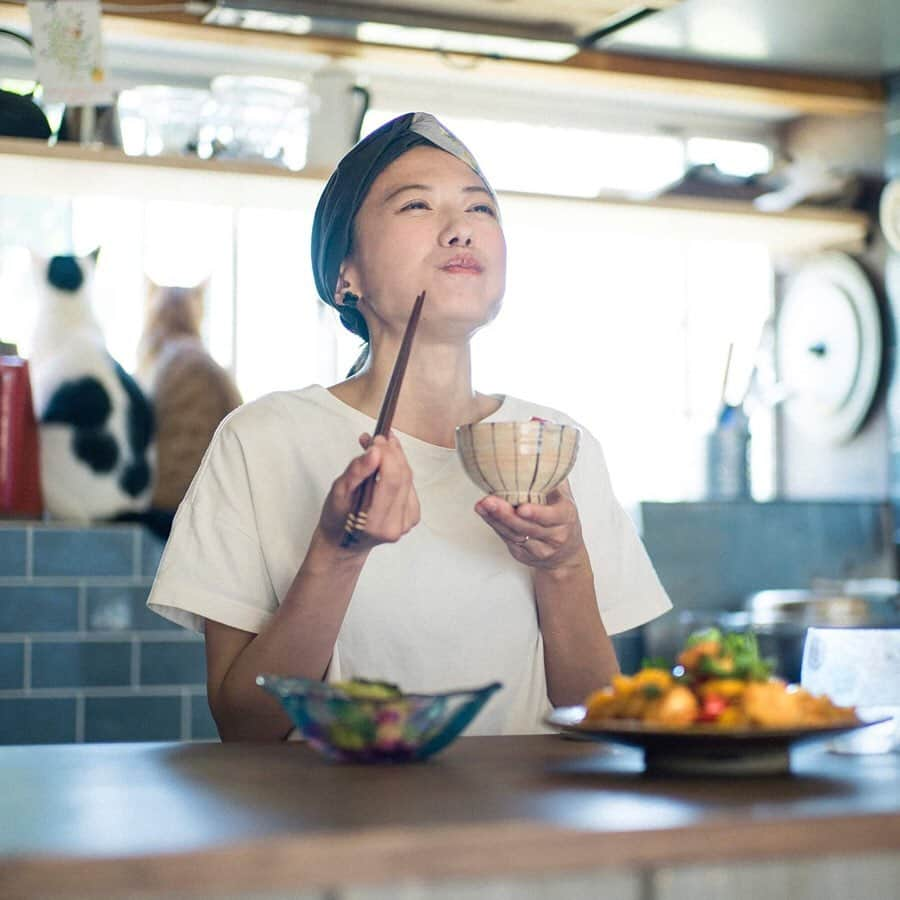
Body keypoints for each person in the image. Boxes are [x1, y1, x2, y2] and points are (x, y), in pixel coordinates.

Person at [147, 112, 671, 740]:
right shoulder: (261, 440)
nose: (459, 231)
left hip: (523, 832)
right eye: (417, 206)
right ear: (346, 275)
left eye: (480, 209)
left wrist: (563, 566)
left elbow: (596, 715)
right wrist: (337, 553)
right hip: (336, 830)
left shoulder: (555, 446)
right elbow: (245, 725)